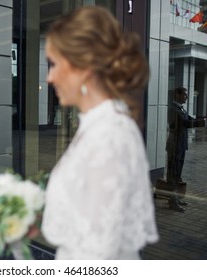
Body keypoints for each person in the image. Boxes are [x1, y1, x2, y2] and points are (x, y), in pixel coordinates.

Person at [41, 6, 159, 260]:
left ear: (83, 68)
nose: (49, 78)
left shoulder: (109, 136)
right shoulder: (98, 125)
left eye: (54, 63)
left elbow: (99, 251)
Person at [165, 87, 207, 212]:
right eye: (185, 95)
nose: (187, 97)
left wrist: (206, 118)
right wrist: (205, 121)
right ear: (177, 95)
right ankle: (172, 202)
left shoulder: (180, 108)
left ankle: (175, 198)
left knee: (178, 175)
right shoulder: (173, 109)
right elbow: (186, 123)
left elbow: (190, 119)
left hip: (180, 145)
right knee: (173, 174)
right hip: (174, 146)